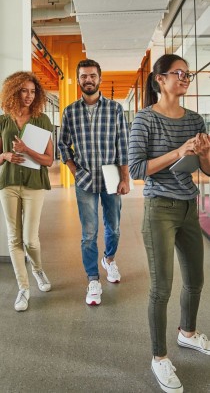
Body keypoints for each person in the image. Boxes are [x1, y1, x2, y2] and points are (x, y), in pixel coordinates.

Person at [128, 54, 210, 393]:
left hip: (189, 205)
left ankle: (188, 333)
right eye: (179, 73)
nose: (186, 77)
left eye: (188, 73)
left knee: (195, 279)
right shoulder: (144, 119)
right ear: (159, 80)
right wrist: (178, 152)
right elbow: (136, 170)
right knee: (162, 286)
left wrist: (203, 152)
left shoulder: (195, 119)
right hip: (159, 207)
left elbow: (208, 169)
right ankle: (159, 357)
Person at [58, 59, 130, 305]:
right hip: (85, 178)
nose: (88, 80)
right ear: (78, 80)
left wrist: (125, 178)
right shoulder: (70, 111)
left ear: (99, 78)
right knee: (89, 233)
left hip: (111, 176)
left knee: (115, 227)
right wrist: (73, 170)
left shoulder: (115, 109)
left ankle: (109, 260)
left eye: (92, 76)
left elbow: (123, 144)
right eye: (83, 76)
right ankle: (92, 279)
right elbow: (62, 145)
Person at [0, 71, 54, 312]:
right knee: (14, 238)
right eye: (24, 91)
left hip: (34, 185)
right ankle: (24, 288)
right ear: (14, 91)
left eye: (33, 92)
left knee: (30, 239)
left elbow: (49, 160)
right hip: (9, 183)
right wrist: (5, 155)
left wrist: (26, 149)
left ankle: (38, 270)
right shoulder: (3, 122)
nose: (29, 96)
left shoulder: (42, 120)